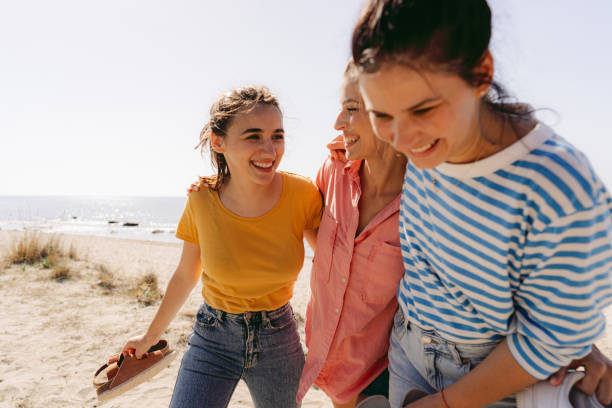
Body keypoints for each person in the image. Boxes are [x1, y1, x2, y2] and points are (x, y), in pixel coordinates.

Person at [348, 0, 612, 407]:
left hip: (494, 383)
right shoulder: (430, 145)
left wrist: (445, 403)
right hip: (406, 352)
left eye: (423, 109)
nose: (401, 139)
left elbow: (548, 338)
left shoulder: (560, 188)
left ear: (481, 73)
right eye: (381, 114)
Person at [122, 85, 322, 408]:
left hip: (279, 339)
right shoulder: (202, 199)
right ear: (219, 141)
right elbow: (186, 275)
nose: (269, 150)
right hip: (213, 337)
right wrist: (149, 337)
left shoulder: (303, 195)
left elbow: (332, 264)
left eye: (277, 136)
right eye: (253, 136)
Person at [296, 60, 407, 407]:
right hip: (326, 363)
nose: (337, 122)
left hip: (381, 376)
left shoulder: (425, 199)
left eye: (351, 109)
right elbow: (306, 220)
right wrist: (220, 186)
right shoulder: (333, 168)